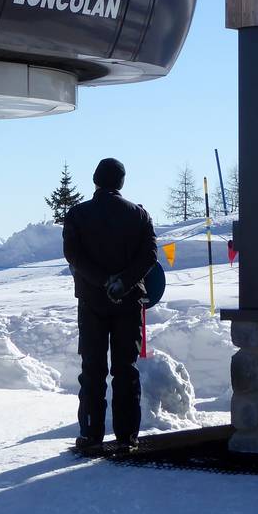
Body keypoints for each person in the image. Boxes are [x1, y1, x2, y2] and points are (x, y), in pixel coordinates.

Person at [63, 158, 157, 452]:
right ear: (121, 182)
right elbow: (150, 255)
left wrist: (102, 281)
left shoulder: (78, 214)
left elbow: (73, 255)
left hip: (91, 301)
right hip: (128, 302)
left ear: (95, 180)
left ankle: (91, 434)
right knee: (126, 369)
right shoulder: (139, 215)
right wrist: (122, 282)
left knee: (93, 368)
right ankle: (127, 437)